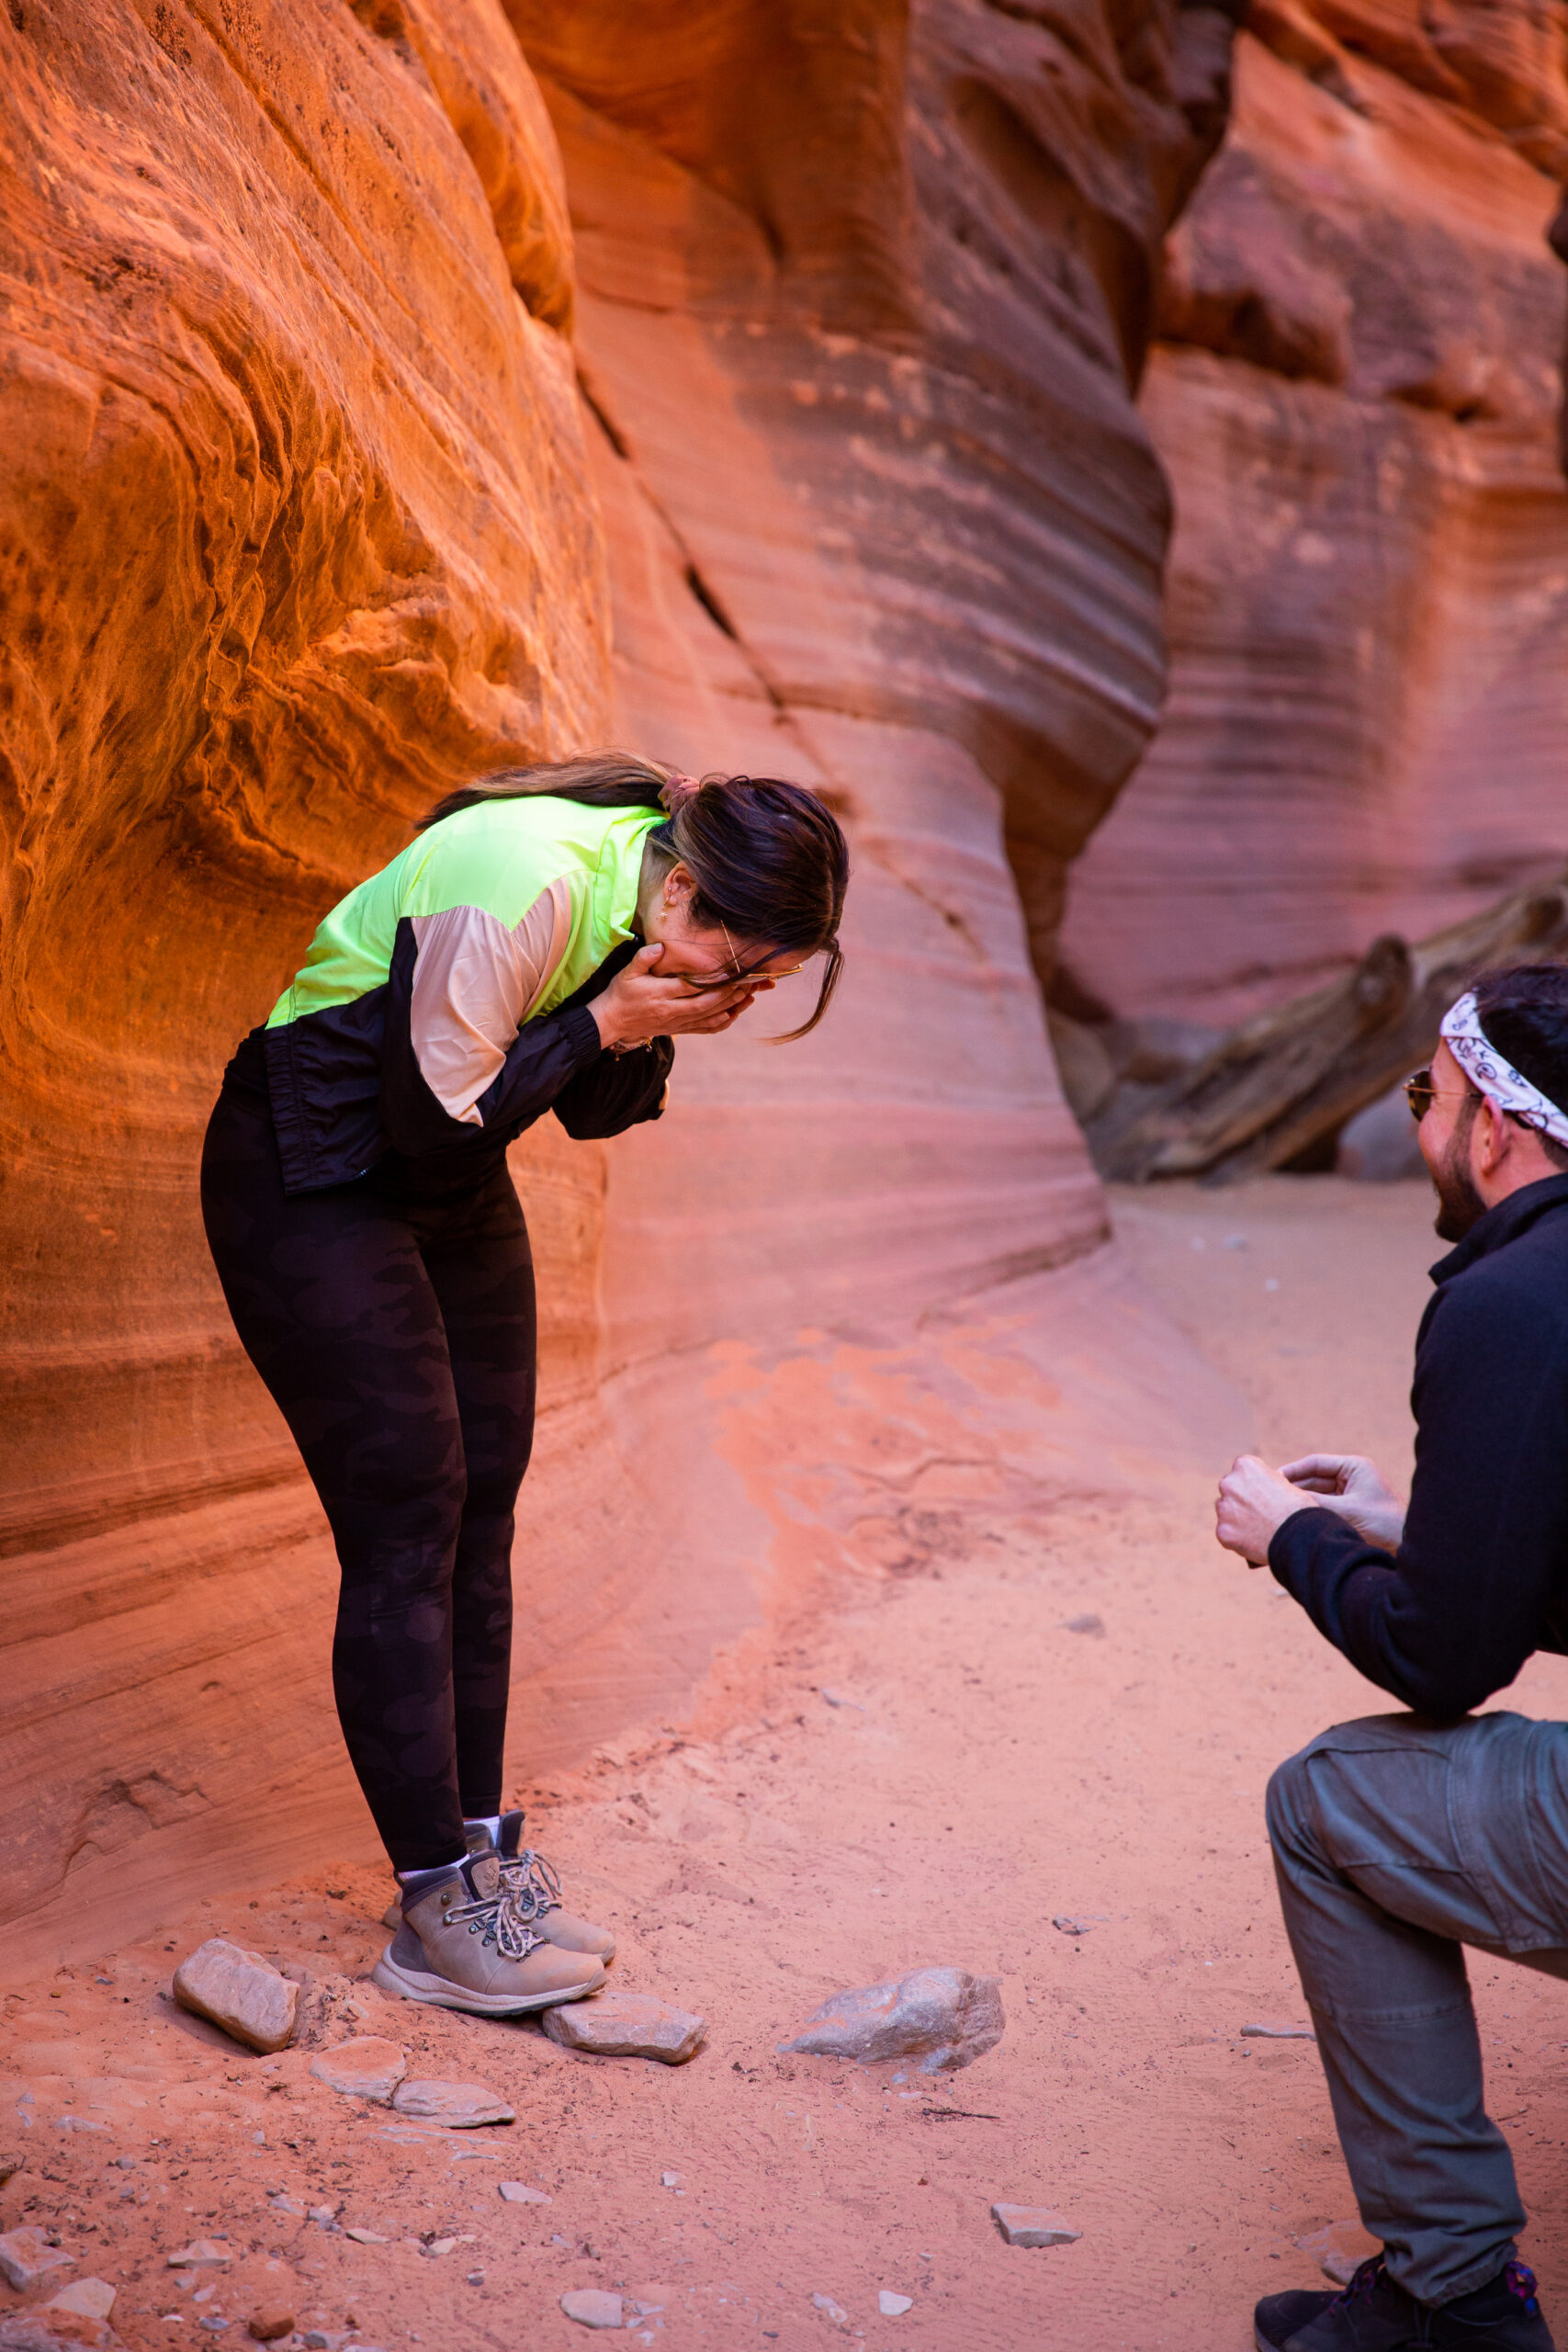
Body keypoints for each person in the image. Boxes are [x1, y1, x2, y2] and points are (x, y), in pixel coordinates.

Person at [202, 754, 848, 2019]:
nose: (749, 992)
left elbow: (587, 1115)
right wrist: (613, 1019)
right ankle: (433, 1902)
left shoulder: (655, 906)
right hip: (312, 1161)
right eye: (748, 969)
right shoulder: (524, 880)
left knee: (484, 1493)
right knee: (406, 1513)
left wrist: (640, 1019)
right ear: (691, 907)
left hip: (435, 1166)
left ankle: (485, 1856)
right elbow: (430, 1120)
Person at [1214, 962, 1568, 2352]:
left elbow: (1440, 1663)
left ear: (1490, 1123)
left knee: (1327, 1799)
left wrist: (1291, 1537)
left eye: (1427, 1093)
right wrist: (1415, 1524)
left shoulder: (1512, 1298)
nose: (1422, 1121)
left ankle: (1453, 2294)